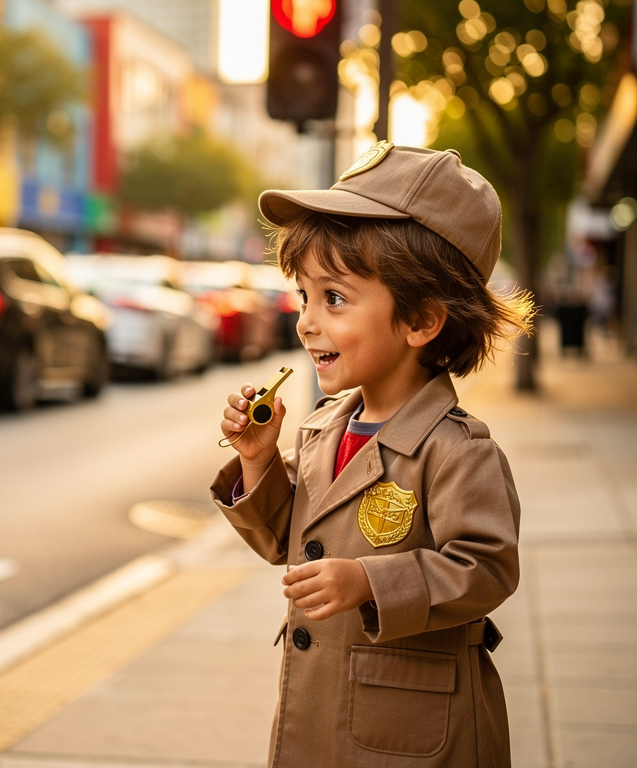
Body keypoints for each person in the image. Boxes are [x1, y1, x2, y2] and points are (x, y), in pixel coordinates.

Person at [212, 142, 534, 767]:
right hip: (324, 717)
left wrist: (368, 580)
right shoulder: (324, 428)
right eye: (304, 296)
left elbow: (488, 567)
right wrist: (257, 459)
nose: (306, 322)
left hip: (411, 736)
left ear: (422, 321)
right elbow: (288, 541)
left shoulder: (457, 449)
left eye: (334, 299)